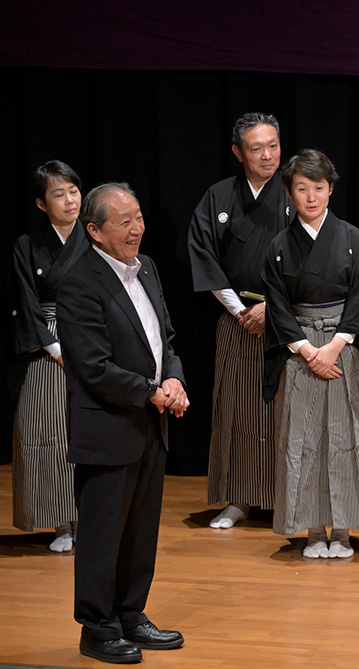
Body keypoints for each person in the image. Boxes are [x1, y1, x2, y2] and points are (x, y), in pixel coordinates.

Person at [58, 183, 189, 664]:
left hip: (151, 423)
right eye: (124, 221)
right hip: (108, 426)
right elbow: (92, 367)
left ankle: (131, 614)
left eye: (139, 217)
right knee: (103, 532)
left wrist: (173, 379)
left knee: (139, 531)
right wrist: (152, 392)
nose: (138, 229)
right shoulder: (78, 281)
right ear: (94, 230)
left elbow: (166, 338)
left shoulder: (147, 267)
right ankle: (97, 627)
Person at [263, 149, 359, 559]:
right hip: (299, 350)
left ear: (331, 189)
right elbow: (277, 304)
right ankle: (314, 531)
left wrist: (334, 345)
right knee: (304, 441)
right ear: (289, 193)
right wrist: (305, 349)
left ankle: (343, 531)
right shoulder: (280, 245)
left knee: (346, 437)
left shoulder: (352, 238)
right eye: (301, 189)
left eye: (318, 188)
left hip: (344, 349)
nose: (311, 197)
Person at [188, 112, 290, 529]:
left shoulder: (295, 190)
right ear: (237, 152)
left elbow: (310, 257)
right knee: (238, 407)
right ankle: (239, 499)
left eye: (273, 146)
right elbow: (204, 256)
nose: (267, 156)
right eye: (256, 148)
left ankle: (290, 499)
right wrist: (240, 311)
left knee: (287, 409)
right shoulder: (219, 196)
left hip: (288, 319)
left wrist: (275, 309)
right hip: (238, 318)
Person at [11, 161, 87, 552]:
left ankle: (90, 518)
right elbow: (26, 302)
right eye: (59, 194)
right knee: (46, 428)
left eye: (73, 190)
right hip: (47, 341)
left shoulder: (94, 236)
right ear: (42, 204)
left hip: (91, 337)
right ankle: (59, 521)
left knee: (88, 430)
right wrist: (55, 348)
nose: (70, 200)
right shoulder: (27, 245)